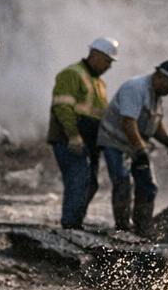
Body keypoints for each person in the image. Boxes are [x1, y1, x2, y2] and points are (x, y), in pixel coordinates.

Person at [97, 60, 168, 237]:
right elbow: (129, 123)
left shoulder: (156, 95)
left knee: (148, 185)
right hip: (114, 141)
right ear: (159, 76)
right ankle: (123, 227)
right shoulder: (135, 88)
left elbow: (155, 124)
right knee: (123, 180)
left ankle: (142, 226)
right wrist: (141, 150)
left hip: (133, 144)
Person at [47, 37, 117, 229]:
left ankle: (75, 221)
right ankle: (70, 225)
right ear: (94, 55)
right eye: (107, 61)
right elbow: (62, 106)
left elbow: (100, 114)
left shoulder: (99, 83)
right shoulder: (72, 74)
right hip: (70, 139)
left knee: (90, 183)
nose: (109, 66)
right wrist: (73, 134)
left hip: (90, 141)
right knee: (79, 178)